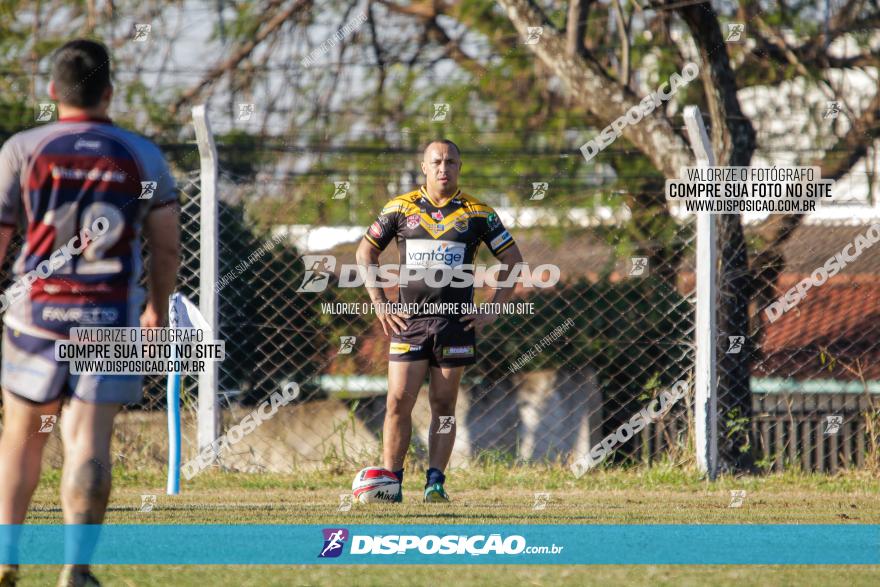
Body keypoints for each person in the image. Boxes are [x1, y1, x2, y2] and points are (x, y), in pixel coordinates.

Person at [0, 39, 180, 587]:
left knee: (22, 437)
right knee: (88, 440)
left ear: (53, 92)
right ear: (109, 91)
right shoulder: (142, 154)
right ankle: (76, 568)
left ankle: (6, 559)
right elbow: (168, 247)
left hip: (36, 316)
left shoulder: (22, 149)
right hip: (110, 316)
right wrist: (157, 309)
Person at [355, 139, 523, 503]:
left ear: (459, 167)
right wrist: (380, 303)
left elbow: (513, 261)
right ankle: (391, 483)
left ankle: (435, 482)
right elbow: (365, 251)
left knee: (444, 404)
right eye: (437, 162)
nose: (443, 167)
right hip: (409, 323)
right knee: (398, 400)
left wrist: (493, 307)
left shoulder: (480, 214)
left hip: (454, 325)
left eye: (451, 161)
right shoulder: (400, 208)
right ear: (424, 167)